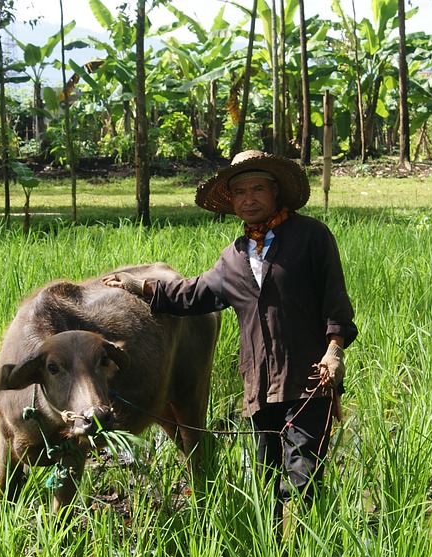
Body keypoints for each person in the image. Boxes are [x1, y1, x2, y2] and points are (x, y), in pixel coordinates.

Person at [104, 150, 357, 522]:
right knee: (266, 479)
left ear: (276, 192)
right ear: (232, 202)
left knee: (302, 481)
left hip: (308, 380)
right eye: (240, 192)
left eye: (257, 189)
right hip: (259, 385)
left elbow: (336, 300)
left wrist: (334, 351)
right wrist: (140, 286)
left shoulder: (310, 237)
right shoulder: (234, 257)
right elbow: (191, 295)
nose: (249, 199)